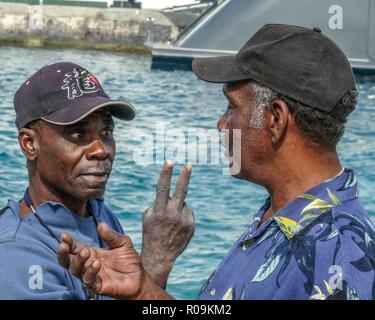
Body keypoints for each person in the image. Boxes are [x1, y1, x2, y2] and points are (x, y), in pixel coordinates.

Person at [58, 24, 375, 300]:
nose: (221, 124)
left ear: (275, 118)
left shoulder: (340, 257)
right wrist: (144, 289)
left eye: (231, 107)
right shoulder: (280, 215)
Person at [0, 62, 195, 299]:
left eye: (106, 133)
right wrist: (155, 262)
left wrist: (145, 280)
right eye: (77, 134)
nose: (101, 150)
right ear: (30, 144)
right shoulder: (16, 253)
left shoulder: (99, 215)